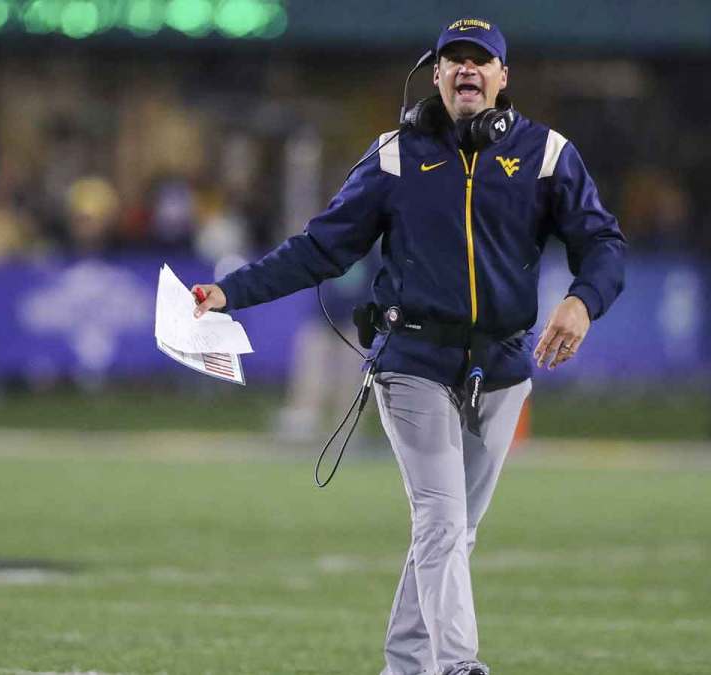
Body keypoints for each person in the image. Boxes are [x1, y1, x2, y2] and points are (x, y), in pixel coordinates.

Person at [192, 18, 626, 675]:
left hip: (504, 369)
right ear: (437, 75)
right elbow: (319, 247)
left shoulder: (546, 154)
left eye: (482, 61)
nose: (468, 70)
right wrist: (231, 293)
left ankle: (404, 664)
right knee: (442, 523)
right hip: (412, 363)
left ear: (504, 78)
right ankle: (457, 665)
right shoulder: (396, 155)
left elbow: (604, 243)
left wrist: (582, 299)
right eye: (455, 60)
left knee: (452, 533)